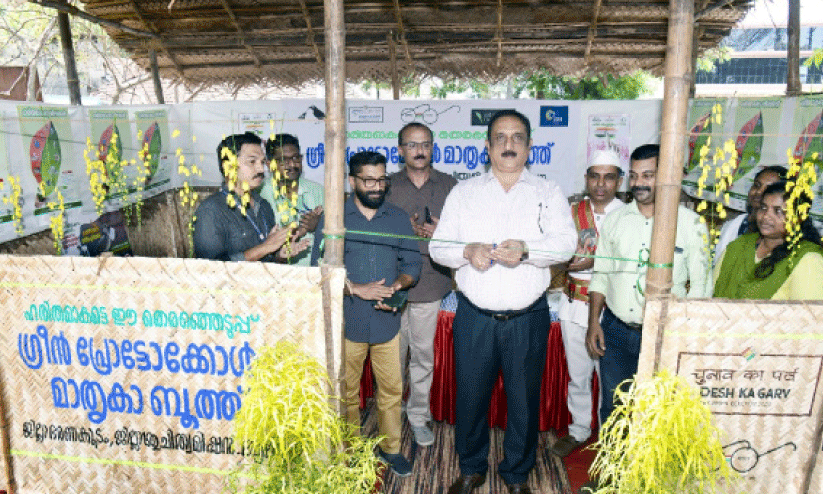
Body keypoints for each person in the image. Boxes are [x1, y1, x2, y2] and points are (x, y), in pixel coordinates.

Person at [430, 110, 577, 494]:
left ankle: (516, 473)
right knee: (471, 397)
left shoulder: (548, 192)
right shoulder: (464, 193)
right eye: (500, 138)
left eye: (517, 138)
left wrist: (528, 251)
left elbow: (566, 244)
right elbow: (438, 246)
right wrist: (468, 249)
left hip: (528, 318)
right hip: (475, 317)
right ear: (487, 146)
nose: (508, 145)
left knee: (524, 402)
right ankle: (471, 468)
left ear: (529, 147)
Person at [310, 151, 421, 477]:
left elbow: (412, 265)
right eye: (369, 180)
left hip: (387, 321)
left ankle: (391, 449)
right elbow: (320, 267)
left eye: (381, 180)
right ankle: (350, 450)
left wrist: (397, 286)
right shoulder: (334, 219)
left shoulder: (398, 218)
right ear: (352, 181)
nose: (376, 187)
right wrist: (355, 288)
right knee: (346, 393)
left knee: (391, 390)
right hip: (348, 321)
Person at [586, 144, 710, 428]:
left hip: (665, 335)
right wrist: (594, 322)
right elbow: (601, 274)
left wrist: (684, 336)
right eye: (634, 175)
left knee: (658, 410)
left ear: (666, 175)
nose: (639, 183)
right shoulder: (616, 221)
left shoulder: (691, 224)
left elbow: (702, 288)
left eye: (648, 175)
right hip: (615, 331)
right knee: (615, 407)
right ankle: (613, 471)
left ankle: (648, 474)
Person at [386, 122, 457, 447]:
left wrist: (441, 233)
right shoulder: (385, 186)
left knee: (423, 355)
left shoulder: (450, 186)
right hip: (392, 284)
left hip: (430, 283)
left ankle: (417, 416)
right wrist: (403, 231)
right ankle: (392, 411)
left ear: (432, 147)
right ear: (400, 150)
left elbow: (463, 235)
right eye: (412, 145)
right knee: (392, 355)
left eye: (425, 144)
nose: (419, 150)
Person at [550, 150, 625, 458]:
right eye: (595, 176)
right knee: (578, 374)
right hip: (574, 302)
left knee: (611, 380)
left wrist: (593, 260)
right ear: (586, 179)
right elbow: (557, 252)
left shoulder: (630, 214)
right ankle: (579, 429)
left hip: (613, 309)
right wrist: (568, 262)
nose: (601, 184)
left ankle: (613, 439)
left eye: (608, 177)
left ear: (619, 181)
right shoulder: (570, 212)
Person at [193, 132, 307, 262]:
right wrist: (265, 247)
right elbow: (209, 269)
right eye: (252, 161)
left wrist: (279, 255)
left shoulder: (264, 206)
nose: (260, 169)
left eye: (262, 162)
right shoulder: (211, 211)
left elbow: (267, 259)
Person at [714, 180, 823, 300]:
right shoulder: (739, 246)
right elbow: (711, 293)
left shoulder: (808, 259)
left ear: (799, 217)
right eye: (763, 208)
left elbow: (809, 315)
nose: (766, 216)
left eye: (779, 211)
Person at [260, 133, 324, 266]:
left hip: (314, 274)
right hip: (273, 275)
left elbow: (336, 237)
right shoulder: (260, 193)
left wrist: (319, 225)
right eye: (284, 160)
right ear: (269, 164)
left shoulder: (318, 191)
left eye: (296, 158)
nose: (292, 164)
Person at [714, 165, 787, 265]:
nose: (759, 192)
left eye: (769, 189)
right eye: (757, 185)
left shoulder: (779, 237)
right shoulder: (733, 225)